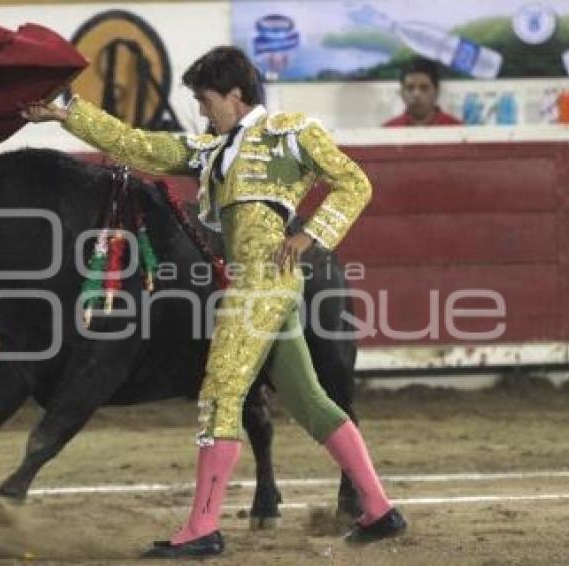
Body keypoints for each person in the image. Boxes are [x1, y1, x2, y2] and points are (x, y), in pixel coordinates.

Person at [21, 46, 406, 558]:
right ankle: (379, 509)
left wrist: (310, 237)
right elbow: (140, 146)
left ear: (235, 93)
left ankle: (203, 527)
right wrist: (66, 110)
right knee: (309, 401)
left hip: (263, 285)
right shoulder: (214, 151)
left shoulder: (290, 131)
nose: (201, 111)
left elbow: (354, 182)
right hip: (254, 286)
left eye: (205, 100)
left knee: (221, 391)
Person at [384, 58, 462, 127]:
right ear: (401, 93)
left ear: (436, 92)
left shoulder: (457, 130)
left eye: (424, 88)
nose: (416, 94)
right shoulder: (387, 132)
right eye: (410, 88)